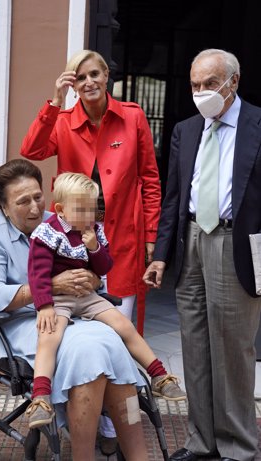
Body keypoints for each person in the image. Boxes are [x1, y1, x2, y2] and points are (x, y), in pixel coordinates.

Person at [20, 48, 184, 454]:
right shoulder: (63, 119)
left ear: (107, 75)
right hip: (71, 244)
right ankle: (80, 412)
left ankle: (116, 418)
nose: (88, 82)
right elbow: (32, 151)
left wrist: (151, 240)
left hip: (120, 241)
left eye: (94, 74)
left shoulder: (132, 116)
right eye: (80, 77)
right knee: (77, 337)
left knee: (119, 329)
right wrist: (54, 103)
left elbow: (149, 179)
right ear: (72, 82)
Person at [0, 158, 149, 461]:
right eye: (22, 202)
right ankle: (88, 452)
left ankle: (135, 452)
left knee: (110, 341)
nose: (34, 208)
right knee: (90, 349)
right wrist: (50, 286)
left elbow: (100, 275)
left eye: (38, 197)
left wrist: (92, 277)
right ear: (3, 208)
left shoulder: (66, 219)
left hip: (79, 313)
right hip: (27, 322)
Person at [143, 48, 261, 461]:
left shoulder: (257, 125)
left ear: (233, 82)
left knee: (233, 350)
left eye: (210, 84)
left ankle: (239, 448)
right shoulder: (186, 130)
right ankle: (202, 442)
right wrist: (160, 254)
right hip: (190, 240)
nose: (201, 92)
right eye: (195, 85)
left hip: (236, 245)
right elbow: (174, 197)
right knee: (195, 345)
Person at [26, 171, 185, 429]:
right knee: (49, 336)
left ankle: (159, 376)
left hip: (88, 295)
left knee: (123, 325)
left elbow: (104, 268)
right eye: (82, 210)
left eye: (93, 209)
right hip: (59, 298)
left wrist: (94, 248)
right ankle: (40, 397)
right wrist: (44, 305)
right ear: (61, 210)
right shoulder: (48, 233)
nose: (90, 216)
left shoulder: (94, 231)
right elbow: (38, 273)